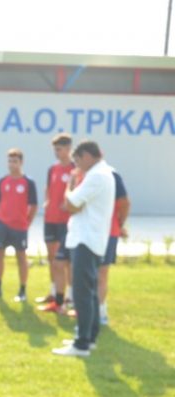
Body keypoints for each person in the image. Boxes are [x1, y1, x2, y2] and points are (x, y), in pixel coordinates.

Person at [52, 141, 115, 357]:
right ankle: (90, 337)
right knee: (90, 292)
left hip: (85, 241)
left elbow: (71, 204)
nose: (76, 166)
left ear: (87, 156)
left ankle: (81, 344)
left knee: (81, 293)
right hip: (91, 240)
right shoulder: (103, 173)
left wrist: (70, 184)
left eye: (77, 160)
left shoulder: (96, 176)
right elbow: (76, 206)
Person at [0, 149, 38, 302]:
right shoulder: (2, 181)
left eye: (15, 161)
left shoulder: (28, 183)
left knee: (21, 257)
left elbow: (34, 206)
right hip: (2, 225)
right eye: (9, 161)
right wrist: (4, 216)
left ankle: (22, 290)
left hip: (20, 227)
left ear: (21, 162)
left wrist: (27, 222)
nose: (11, 164)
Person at [37, 133, 75, 313]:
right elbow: (48, 187)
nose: (56, 152)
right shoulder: (52, 168)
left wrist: (68, 204)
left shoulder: (75, 169)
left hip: (66, 221)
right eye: (55, 149)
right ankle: (54, 293)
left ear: (68, 149)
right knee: (52, 257)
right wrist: (47, 201)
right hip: (50, 218)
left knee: (66, 260)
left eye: (59, 149)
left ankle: (70, 296)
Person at [97, 169, 129, 326]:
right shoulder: (80, 174)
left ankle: (101, 311)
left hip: (108, 232)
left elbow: (124, 203)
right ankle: (87, 310)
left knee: (101, 273)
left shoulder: (112, 176)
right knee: (85, 274)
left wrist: (120, 224)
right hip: (87, 234)